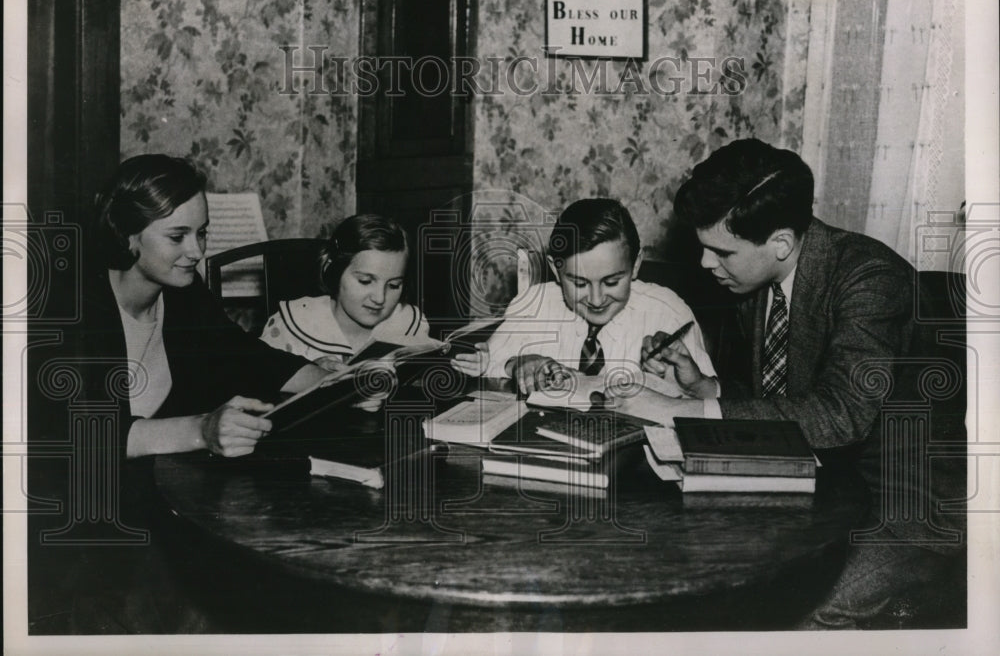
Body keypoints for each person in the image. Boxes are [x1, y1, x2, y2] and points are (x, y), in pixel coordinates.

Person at [644, 138, 962, 629]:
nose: (706, 265)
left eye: (720, 251)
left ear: (781, 243)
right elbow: (786, 406)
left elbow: (840, 415)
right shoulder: (755, 280)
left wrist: (683, 412)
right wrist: (709, 390)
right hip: (821, 484)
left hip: (902, 501)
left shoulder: (872, 280)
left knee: (807, 613)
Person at [28, 154, 331, 633]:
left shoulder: (185, 294)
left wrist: (332, 378)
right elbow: (80, 438)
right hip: (78, 520)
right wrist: (202, 430)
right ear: (127, 236)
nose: (197, 251)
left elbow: (244, 355)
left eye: (202, 233)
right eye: (177, 236)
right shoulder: (68, 307)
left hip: (158, 500)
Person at [484, 197, 717, 399]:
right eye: (579, 283)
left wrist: (693, 386)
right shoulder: (536, 304)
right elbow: (483, 364)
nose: (596, 300)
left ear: (635, 265)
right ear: (556, 271)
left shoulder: (668, 312)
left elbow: (712, 399)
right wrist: (517, 364)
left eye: (611, 282)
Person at [259, 214, 486, 384]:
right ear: (333, 270)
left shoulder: (408, 323)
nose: (380, 298)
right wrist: (309, 373)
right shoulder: (291, 323)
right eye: (366, 281)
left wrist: (465, 365)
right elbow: (255, 388)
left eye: (394, 285)